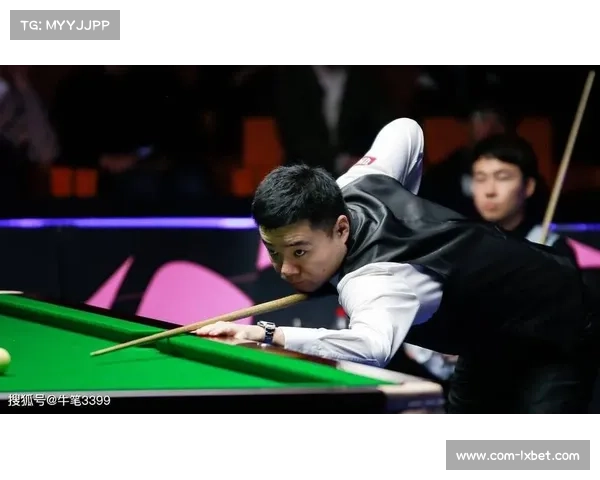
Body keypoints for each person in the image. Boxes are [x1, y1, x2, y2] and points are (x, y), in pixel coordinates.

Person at [195, 118, 599, 415]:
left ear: (341, 228)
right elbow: (406, 130)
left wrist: (267, 333)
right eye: (273, 251)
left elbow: (371, 348)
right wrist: (399, 197)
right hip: (485, 336)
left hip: (557, 325)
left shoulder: (377, 281)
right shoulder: (355, 183)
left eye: (299, 252)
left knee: (540, 454)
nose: (284, 269)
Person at [469, 133, 575, 259]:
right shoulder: (462, 244)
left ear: (528, 186)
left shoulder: (550, 247)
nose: (489, 191)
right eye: (480, 178)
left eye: (502, 177)